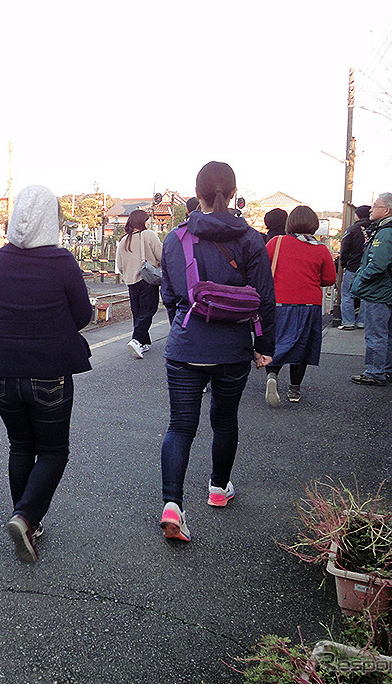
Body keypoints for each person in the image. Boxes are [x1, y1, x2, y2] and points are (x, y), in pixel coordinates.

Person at [158, 161, 275, 542]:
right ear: (233, 191)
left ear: (198, 193)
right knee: (224, 421)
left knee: (180, 427)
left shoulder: (176, 239)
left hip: (186, 344)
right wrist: (264, 347)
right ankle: (218, 489)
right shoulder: (252, 239)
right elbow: (265, 299)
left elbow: (171, 296)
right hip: (232, 349)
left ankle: (173, 506)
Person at [0, 185, 92, 563]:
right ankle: (26, 516)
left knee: (20, 445)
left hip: (1, 368)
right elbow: (82, 316)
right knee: (53, 451)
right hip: (49, 370)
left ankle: (26, 518)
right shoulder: (61, 261)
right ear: (52, 220)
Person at [264, 206, 336, 405]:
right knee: (302, 347)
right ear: (313, 225)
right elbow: (330, 279)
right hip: (309, 304)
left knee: (277, 342)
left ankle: (272, 375)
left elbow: (262, 269)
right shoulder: (320, 249)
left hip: (278, 303)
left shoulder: (276, 242)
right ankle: (294, 391)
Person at [351, 192, 392, 386]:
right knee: (389, 332)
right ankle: (390, 370)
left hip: (378, 291)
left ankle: (374, 372)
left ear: (387, 210)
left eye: (375, 206)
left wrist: (361, 280)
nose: (371, 209)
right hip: (389, 290)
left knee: (376, 333)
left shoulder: (386, 232)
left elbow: (377, 264)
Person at [115, 209, 162, 359]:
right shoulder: (148, 235)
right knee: (148, 311)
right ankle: (136, 340)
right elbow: (162, 255)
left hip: (131, 281)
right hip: (147, 279)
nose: (148, 222)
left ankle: (144, 342)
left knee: (138, 312)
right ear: (142, 221)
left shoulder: (124, 240)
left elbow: (119, 265)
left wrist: (128, 272)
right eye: (146, 220)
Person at [337, 205, 371, 330]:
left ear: (358, 215)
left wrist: (344, 263)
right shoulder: (375, 229)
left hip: (352, 267)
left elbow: (345, 249)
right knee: (365, 295)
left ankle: (348, 322)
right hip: (368, 267)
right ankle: (362, 322)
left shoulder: (352, 229)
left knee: (347, 294)